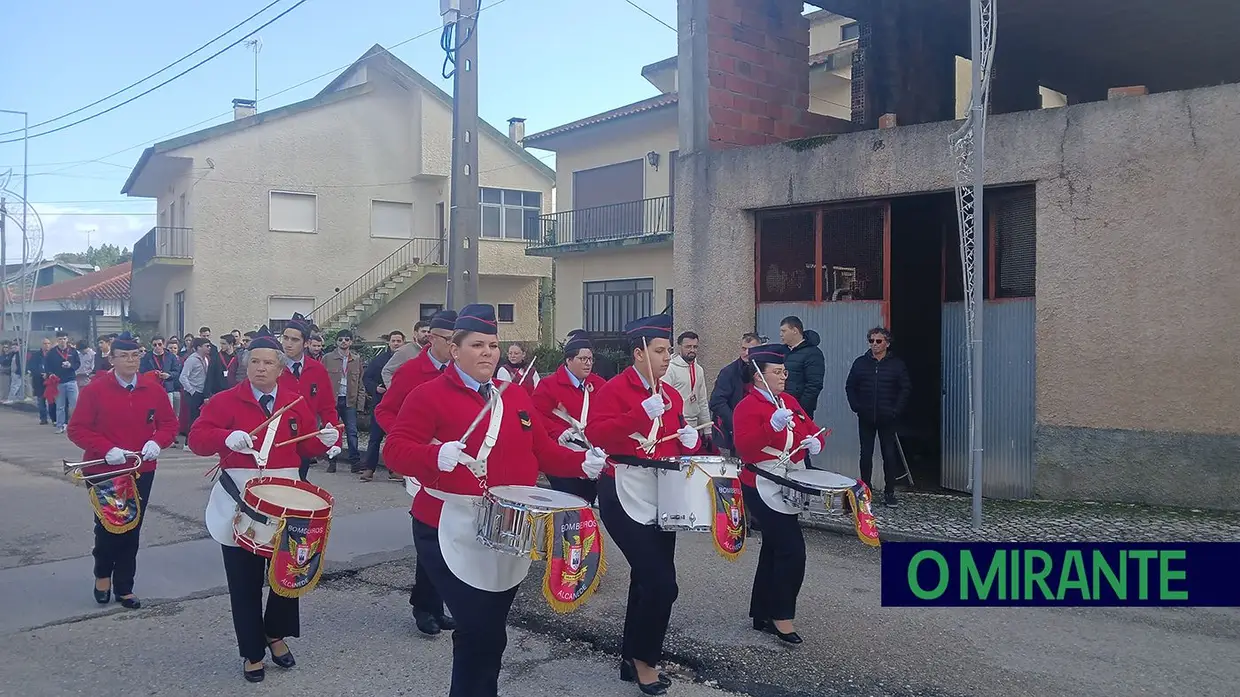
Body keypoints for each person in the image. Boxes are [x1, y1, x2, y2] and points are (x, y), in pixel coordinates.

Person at [383, 304, 605, 697]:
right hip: (446, 524)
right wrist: (433, 456)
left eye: (493, 345)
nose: (488, 352)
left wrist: (581, 463)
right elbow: (396, 450)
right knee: (477, 629)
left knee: (492, 633)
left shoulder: (515, 395)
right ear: (455, 350)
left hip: (506, 527)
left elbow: (542, 450)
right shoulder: (427, 395)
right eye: (478, 345)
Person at [190, 326, 339, 683]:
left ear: (280, 367)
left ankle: (275, 633)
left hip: (287, 499)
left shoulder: (295, 401)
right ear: (246, 365)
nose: (261, 368)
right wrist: (226, 436)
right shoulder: (226, 401)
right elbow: (196, 438)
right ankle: (252, 651)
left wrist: (325, 440)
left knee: (288, 574)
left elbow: (305, 449)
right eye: (254, 361)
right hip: (241, 499)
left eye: (268, 362)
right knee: (243, 581)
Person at [586, 313, 701, 695]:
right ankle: (644, 659)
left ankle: (631, 654)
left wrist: (689, 441)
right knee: (661, 583)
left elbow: (674, 442)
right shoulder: (614, 389)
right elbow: (597, 434)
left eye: (669, 350)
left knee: (647, 578)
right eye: (660, 350)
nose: (668, 357)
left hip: (660, 491)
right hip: (622, 489)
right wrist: (637, 414)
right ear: (638, 353)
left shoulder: (669, 394)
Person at [66, 332, 178, 610]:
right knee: (108, 526)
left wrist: (157, 441)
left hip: (140, 469)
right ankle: (103, 574)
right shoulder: (95, 390)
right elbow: (77, 429)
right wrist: (105, 448)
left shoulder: (153, 389)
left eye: (135, 355)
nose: (131, 361)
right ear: (112, 359)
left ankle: (125, 585)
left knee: (132, 526)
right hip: (104, 468)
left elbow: (169, 424)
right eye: (124, 356)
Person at [731, 343, 825, 645]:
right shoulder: (747, 407)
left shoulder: (788, 400)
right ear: (759, 376)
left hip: (786, 478)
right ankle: (781, 615)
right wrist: (771, 427)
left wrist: (814, 442)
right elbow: (745, 449)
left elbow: (808, 429)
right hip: (759, 481)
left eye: (785, 371)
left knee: (774, 547)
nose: (784, 376)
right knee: (791, 549)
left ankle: (761, 611)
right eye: (778, 372)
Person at [373, 310, 457, 635]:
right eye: (447, 340)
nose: (453, 347)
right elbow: (384, 410)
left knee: (447, 535)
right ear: (430, 337)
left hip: (451, 462)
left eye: (457, 341)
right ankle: (425, 607)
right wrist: (408, 440)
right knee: (429, 535)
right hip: (420, 459)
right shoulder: (411, 372)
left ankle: (435, 605)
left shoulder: (462, 372)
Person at [531, 332, 608, 504]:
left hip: (591, 453)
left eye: (590, 359)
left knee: (585, 503)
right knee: (567, 503)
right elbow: (536, 415)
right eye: (583, 359)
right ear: (569, 360)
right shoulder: (549, 385)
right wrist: (557, 431)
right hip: (562, 453)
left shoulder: (599, 384)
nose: (588, 364)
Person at [845, 327, 911, 508]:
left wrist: (895, 410)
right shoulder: (861, 363)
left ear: (887, 343)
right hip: (866, 417)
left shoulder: (896, 364)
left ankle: (890, 492)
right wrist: (856, 406)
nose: (874, 344)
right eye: (871, 341)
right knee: (865, 455)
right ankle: (865, 491)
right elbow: (850, 386)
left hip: (887, 417)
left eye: (878, 341)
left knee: (889, 455)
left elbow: (905, 388)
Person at [279, 313, 340, 480]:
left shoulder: (317, 369)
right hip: (278, 439)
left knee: (299, 484)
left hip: (305, 438)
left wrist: (334, 439)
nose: (288, 344)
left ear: (306, 343)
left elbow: (327, 406)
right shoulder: (273, 367)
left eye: (294, 340)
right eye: (285, 338)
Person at [360, 330, 405, 482]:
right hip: (380, 403)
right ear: (389, 342)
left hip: (400, 405)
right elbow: (367, 378)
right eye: (393, 341)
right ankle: (369, 468)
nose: (396, 344)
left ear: (403, 343)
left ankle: (394, 469)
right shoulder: (379, 360)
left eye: (399, 341)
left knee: (395, 438)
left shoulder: (407, 360)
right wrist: (375, 389)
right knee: (375, 437)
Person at [779, 316, 824, 466]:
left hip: (800, 411)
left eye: (784, 331)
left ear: (795, 331)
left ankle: (805, 479)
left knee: (801, 445)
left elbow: (814, 385)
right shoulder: (783, 352)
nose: (781, 335)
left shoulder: (812, 353)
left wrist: (800, 410)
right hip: (781, 410)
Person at [708, 333, 763, 453]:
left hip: (758, 433)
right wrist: (736, 423)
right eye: (743, 349)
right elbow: (716, 402)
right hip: (730, 434)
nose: (746, 353)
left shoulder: (765, 372)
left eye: (751, 349)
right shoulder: (728, 372)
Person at [322, 330, 364, 470]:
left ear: (351, 342)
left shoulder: (356, 359)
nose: (344, 342)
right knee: (332, 431)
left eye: (347, 339)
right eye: (340, 339)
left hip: (349, 400)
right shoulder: (327, 358)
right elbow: (320, 380)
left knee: (352, 431)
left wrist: (360, 404)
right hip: (331, 401)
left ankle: (355, 462)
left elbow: (360, 383)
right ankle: (332, 461)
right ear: (336, 342)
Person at [662, 331, 711, 439]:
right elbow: (664, 399)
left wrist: (707, 429)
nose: (692, 350)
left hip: (695, 427)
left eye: (695, 347)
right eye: (688, 347)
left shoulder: (699, 370)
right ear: (679, 347)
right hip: (676, 427)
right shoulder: (670, 369)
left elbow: (702, 400)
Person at [381, 320, 430, 388]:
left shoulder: (433, 351)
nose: (426, 334)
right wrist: (394, 390)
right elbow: (387, 371)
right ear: (415, 333)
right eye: (423, 331)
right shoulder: (404, 351)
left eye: (429, 332)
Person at [141, 335, 182, 412]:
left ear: (163, 344)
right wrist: (152, 374)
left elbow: (177, 371)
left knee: (168, 411)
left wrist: (169, 375)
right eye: (155, 345)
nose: (157, 346)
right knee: (152, 411)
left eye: (159, 344)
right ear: (151, 345)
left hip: (167, 388)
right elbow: (142, 372)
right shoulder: (147, 357)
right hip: (152, 388)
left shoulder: (171, 356)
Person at [50, 330, 81, 433]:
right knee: (60, 406)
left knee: (74, 404)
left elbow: (78, 363)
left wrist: (71, 366)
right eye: (60, 339)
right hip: (59, 382)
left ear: (67, 340)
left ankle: (75, 426)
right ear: (57, 340)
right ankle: (60, 426)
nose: (62, 341)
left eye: (64, 339)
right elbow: (47, 365)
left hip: (71, 380)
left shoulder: (73, 351)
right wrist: (50, 373)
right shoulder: (52, 352)